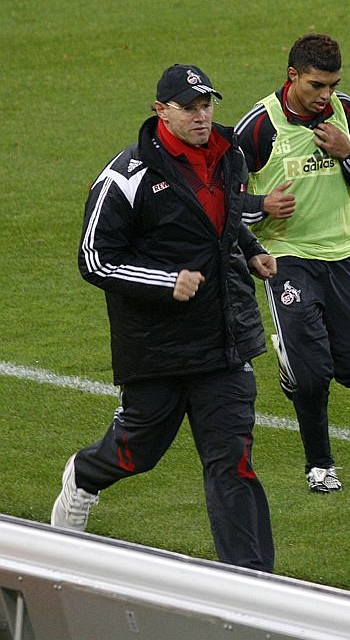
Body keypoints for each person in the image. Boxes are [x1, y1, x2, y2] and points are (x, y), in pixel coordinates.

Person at [51, 64, 276, 572]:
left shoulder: (229, 155)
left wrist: (251, 250)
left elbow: (221, 217)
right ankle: (84, 476)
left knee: (233, 464)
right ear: (161, 111)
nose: (201, 116)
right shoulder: (125, 177)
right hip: (158, 348)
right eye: (188, 108)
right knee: (138, 452)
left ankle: (252, 585)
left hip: (224, 341)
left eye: (206, 105)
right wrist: (165, 282)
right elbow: (94, 259)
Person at [236, 34, 350, 493]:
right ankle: (320, 465)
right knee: (312, 375)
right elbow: (222, 202)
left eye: (333, 85)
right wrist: (262, 206)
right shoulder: (259, 127)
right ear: (293, 76)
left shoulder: (345, 112)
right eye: (317, 85)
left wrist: (346, 152)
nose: (326, 95)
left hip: (341, 254)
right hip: (286, 257)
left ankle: (293, 362)